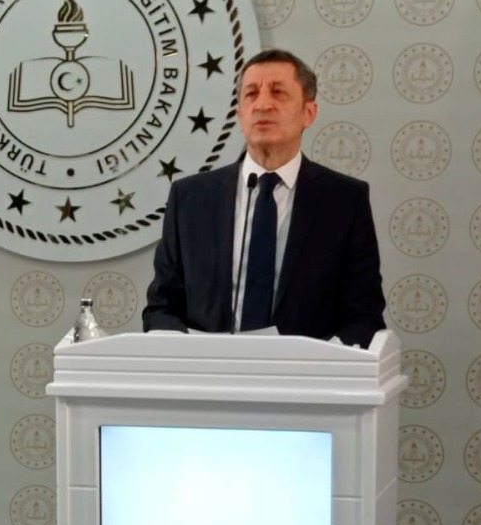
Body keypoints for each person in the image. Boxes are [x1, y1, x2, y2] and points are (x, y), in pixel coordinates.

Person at [142, 49, 385, 348]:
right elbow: (161, 308)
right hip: (207, 370)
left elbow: (365, 315)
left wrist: (323, 358)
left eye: (278, 92)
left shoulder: (344, 200)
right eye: (251, 94)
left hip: (304, 373)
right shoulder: (190, 199)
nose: (263, 104)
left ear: (308, 113)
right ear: (240, 116)